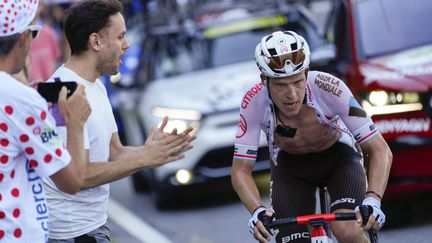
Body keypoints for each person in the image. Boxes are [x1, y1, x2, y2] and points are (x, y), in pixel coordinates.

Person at [42, 0, 195, 242]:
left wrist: (150, 152)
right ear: (96, 41)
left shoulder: (96, 85)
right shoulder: (63, 94)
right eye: (121, 36)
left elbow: (114, 152)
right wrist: (144, 159)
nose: (127, 44)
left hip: (93, 226)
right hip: (73, 233)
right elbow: (75, 176)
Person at [231, 30, 393, 243]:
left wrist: (373, 199)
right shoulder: (253, 102)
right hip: (291, 168)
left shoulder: (330, 88)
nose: (292, 94)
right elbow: (240, 170)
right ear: (264, 80)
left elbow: (380, 149)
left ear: (307, 73)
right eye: (280, 85)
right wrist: (257, 210)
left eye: (297, 81)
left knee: (347, 230)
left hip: (338, 159)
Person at [0, 0, 91, 241]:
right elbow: (71, 181)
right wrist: (75, 122)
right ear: (22, 39)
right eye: (34, 31)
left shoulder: (19, 99)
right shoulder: (22, 100)